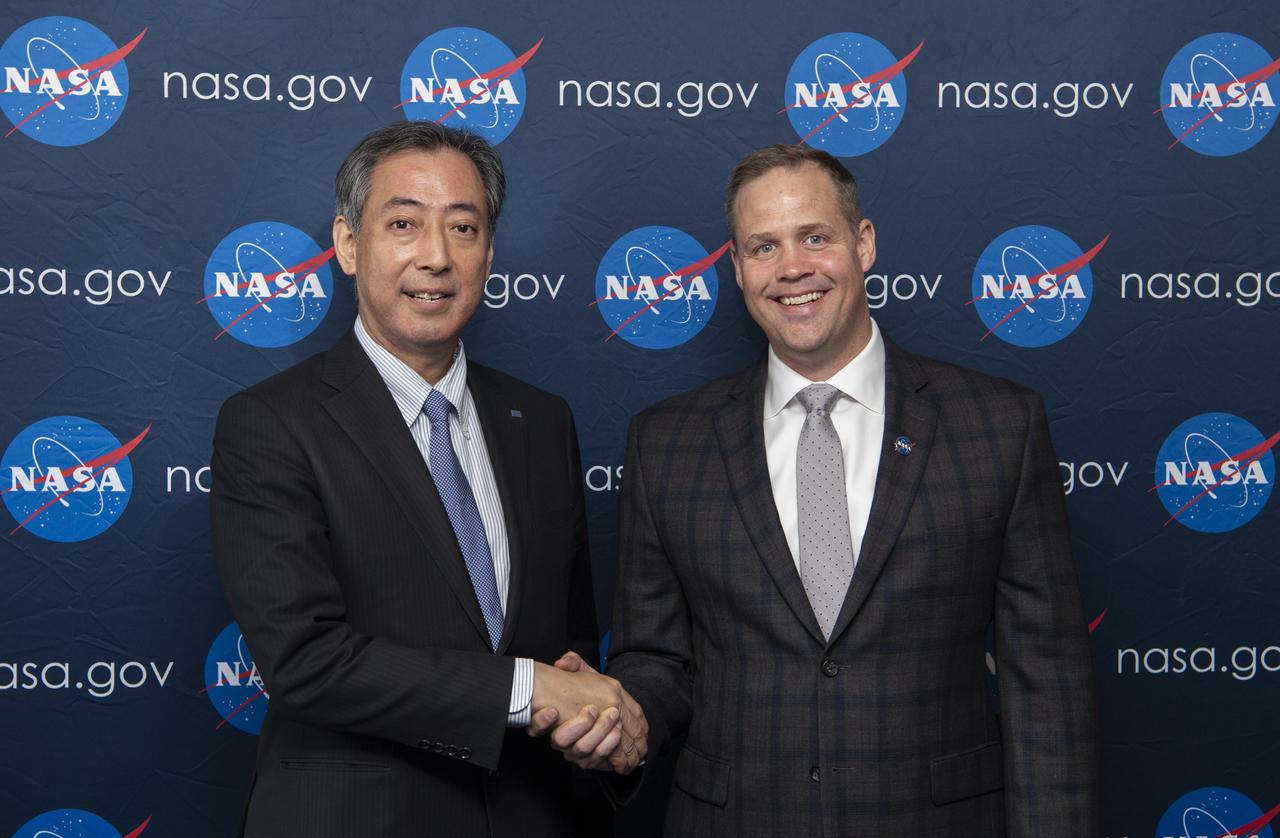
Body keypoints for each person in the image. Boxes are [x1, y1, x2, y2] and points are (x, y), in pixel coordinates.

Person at [553, 144, 1099, 835]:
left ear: (863, 243)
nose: (792, 269)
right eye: (764, 246)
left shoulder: (998, 426)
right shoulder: (667, 443)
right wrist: (620, 717)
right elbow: (659, 660)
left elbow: (1046, 681)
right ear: (737, 268)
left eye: (815, 237)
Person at [210, 121, 643, 838]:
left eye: (463, 228)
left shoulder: (541, 421)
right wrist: (535, 687)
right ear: (349, 245)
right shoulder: (271, 425)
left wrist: (596, 722)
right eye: (404, 223)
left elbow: (567, 651)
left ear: (490, 251)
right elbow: (306, 661)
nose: (435, 257)